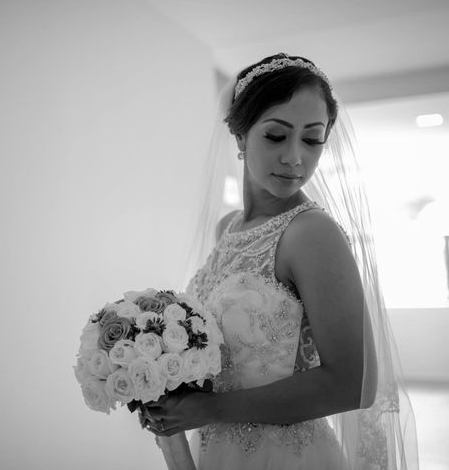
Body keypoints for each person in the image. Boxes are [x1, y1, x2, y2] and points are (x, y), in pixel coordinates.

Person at [140, 54, 418, 470]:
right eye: (275, 135)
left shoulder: (311, 234)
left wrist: (209, 410)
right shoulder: (227, 228)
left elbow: (354, 386)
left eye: (312, 139)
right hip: (217, 451)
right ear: (239, 136)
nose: (295, 158)